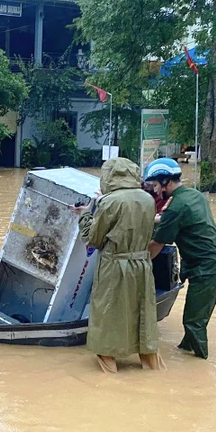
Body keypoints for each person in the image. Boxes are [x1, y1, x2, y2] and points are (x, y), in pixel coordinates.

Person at [72, 158, 165, 373]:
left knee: (107, 317)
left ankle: (110, 377)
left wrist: (85, 214)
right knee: (142, 314)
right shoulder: (148, 199)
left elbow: (94, 239)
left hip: (114, 266)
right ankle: (153, 370)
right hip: (142, 265)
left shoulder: (109, 202)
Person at [145, 158, 216, 360]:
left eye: (156, 185)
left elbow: (156, 246)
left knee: (193, 322)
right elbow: (173, 219)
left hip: (206, 270)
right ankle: (186, 351)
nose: (156, 191)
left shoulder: (176, 207)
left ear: (166, 181)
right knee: (196, 318)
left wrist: (134, 262)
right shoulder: (194, 195)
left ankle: (201, 369)